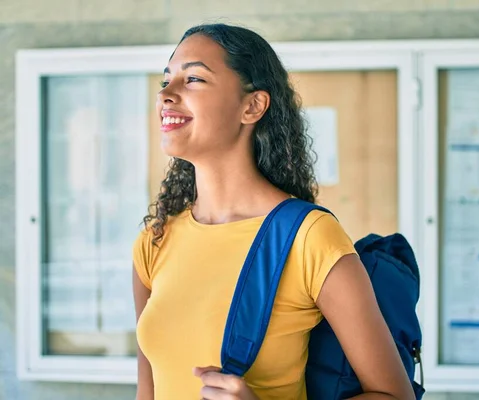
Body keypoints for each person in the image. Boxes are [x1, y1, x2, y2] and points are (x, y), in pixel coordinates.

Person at [132, 23, 415, 400]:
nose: (167, 94)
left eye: (194, 79)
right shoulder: (155, 241)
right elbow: (146, 391)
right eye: (165, 82)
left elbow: (394, 395)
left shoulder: (309, 238)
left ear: (252, 106)